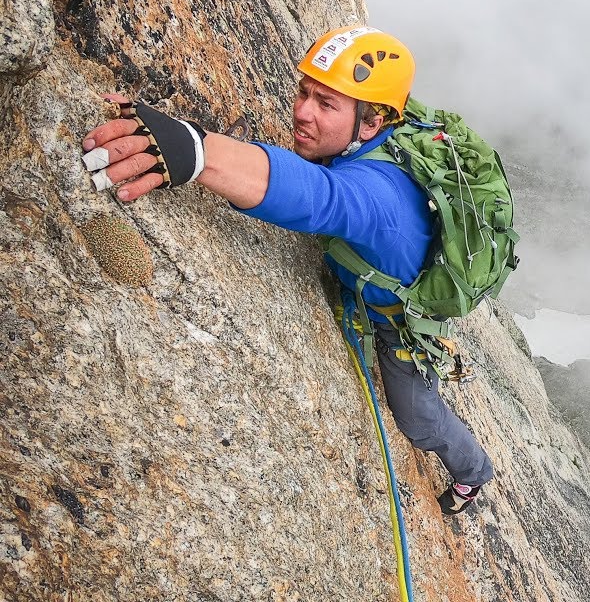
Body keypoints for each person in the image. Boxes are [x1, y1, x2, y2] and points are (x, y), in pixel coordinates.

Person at [81, 25, 494, 515]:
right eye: (305, 92)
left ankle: (474, 473)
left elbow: (320, 197)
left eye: (326, 104)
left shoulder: (380, 199)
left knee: (417, 417)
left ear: (371, 122)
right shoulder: (378, 131)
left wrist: (198, 151)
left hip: (395, 324)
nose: (301, 112)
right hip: (381, 263)